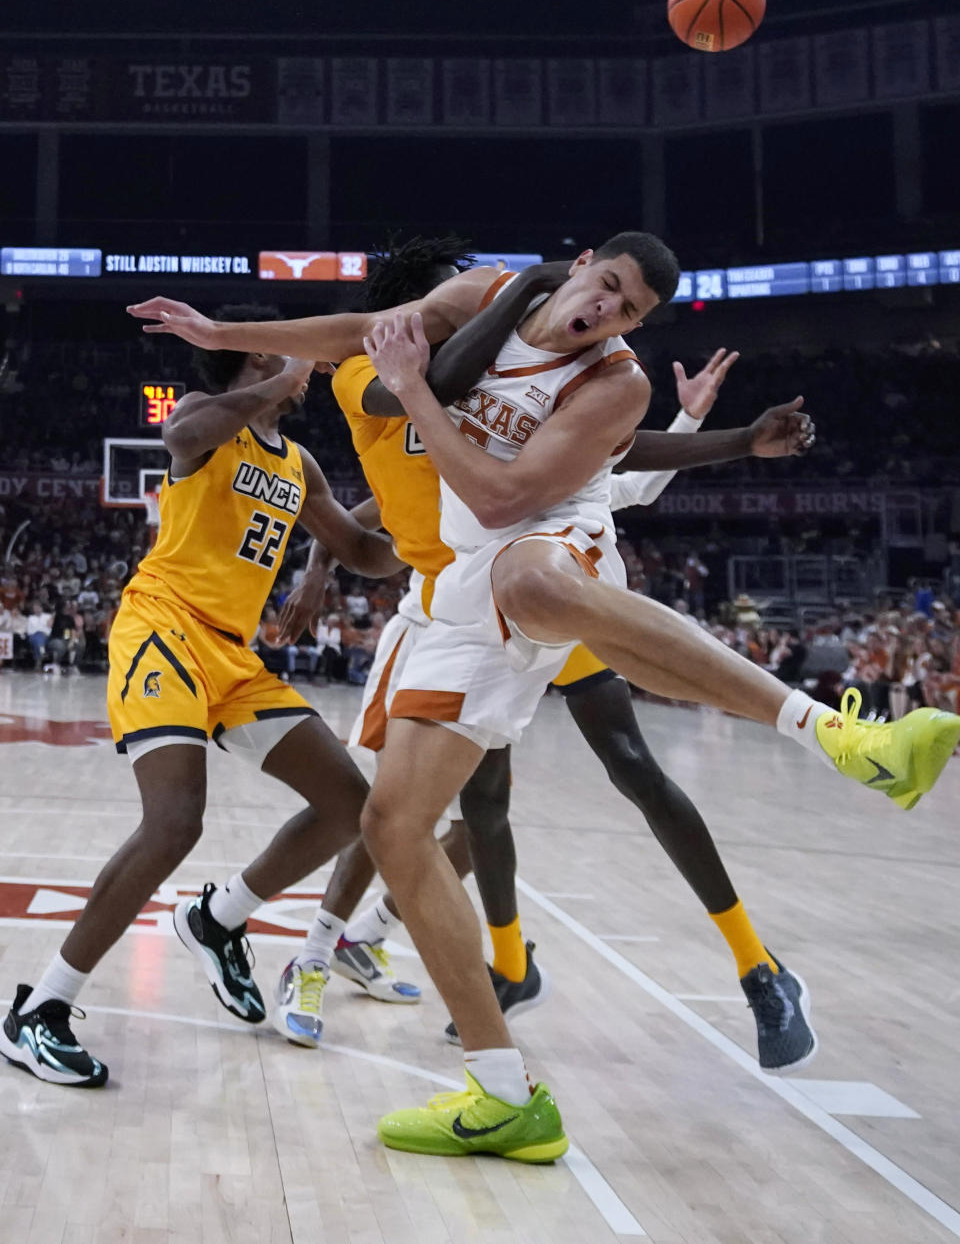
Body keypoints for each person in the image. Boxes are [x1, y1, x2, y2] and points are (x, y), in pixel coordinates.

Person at [128, 236, 960, 1161]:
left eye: (630, 308)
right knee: (396, 827)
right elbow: (372, 353)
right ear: (583, 265)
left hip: (542, 536)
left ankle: (840, 735)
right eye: (605, 287)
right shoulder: (400, 356)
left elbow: (529, 474)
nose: (608, 312)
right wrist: (224, 328)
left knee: (588, 694)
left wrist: (719, 437)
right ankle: (502, 1091)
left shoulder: (611, 376)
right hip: (443, 599)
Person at [278, 236, 823, 1073]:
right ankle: (481, 958)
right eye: (441, 303)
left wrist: (720, 434)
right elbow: (368, 497)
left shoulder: (531, 353)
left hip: (542, 575)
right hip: (460, 604)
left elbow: (616, 455)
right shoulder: (398, 368)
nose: (456, 308)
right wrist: (319, 565)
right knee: (461, 804)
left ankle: (756, 964)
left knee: (627, 764)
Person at [0, 311, 404, 1088]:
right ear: (257, 355)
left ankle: (215, 919)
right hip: (163, 627)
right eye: (286, 349)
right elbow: (181, 438)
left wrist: (426, 514)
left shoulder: (300, 464)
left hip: (232, 653)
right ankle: (39, 1009)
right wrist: (284, 378)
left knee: (350, 805)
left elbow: (358, 552)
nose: (306, 362)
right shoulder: (203, 418)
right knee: (175, 821)